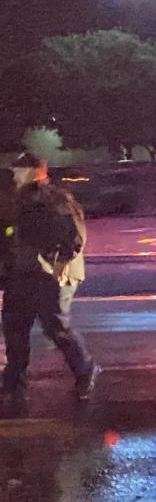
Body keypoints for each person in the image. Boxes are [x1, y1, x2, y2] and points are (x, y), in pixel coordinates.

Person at [1, 155, 98, 408]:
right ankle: (14, 381)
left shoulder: (55, 199)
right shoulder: (14, 200)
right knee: (15, 327)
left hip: (51, 273)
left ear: (36, 172)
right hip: (21, 273)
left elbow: (75, 237)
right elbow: (8, 236)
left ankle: (86, 370)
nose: (15, 175)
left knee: (55, 326)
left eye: (21, 170)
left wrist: (59, 265)